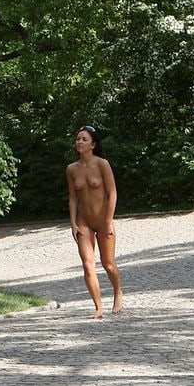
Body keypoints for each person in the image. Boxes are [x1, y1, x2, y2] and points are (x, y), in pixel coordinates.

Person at [67, 125, 123, 317]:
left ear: (93, 144)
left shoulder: (102, 164)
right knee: (87, 264)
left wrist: (108, 220)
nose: (79, 142)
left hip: (103, 220)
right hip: (83, 222)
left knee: (108, 264)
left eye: (84, 139)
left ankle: (117, 292)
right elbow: (73, 198)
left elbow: (112, 193)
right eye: (78, 139)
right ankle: (98, 307)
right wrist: (73, 223)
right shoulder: (71, 169)